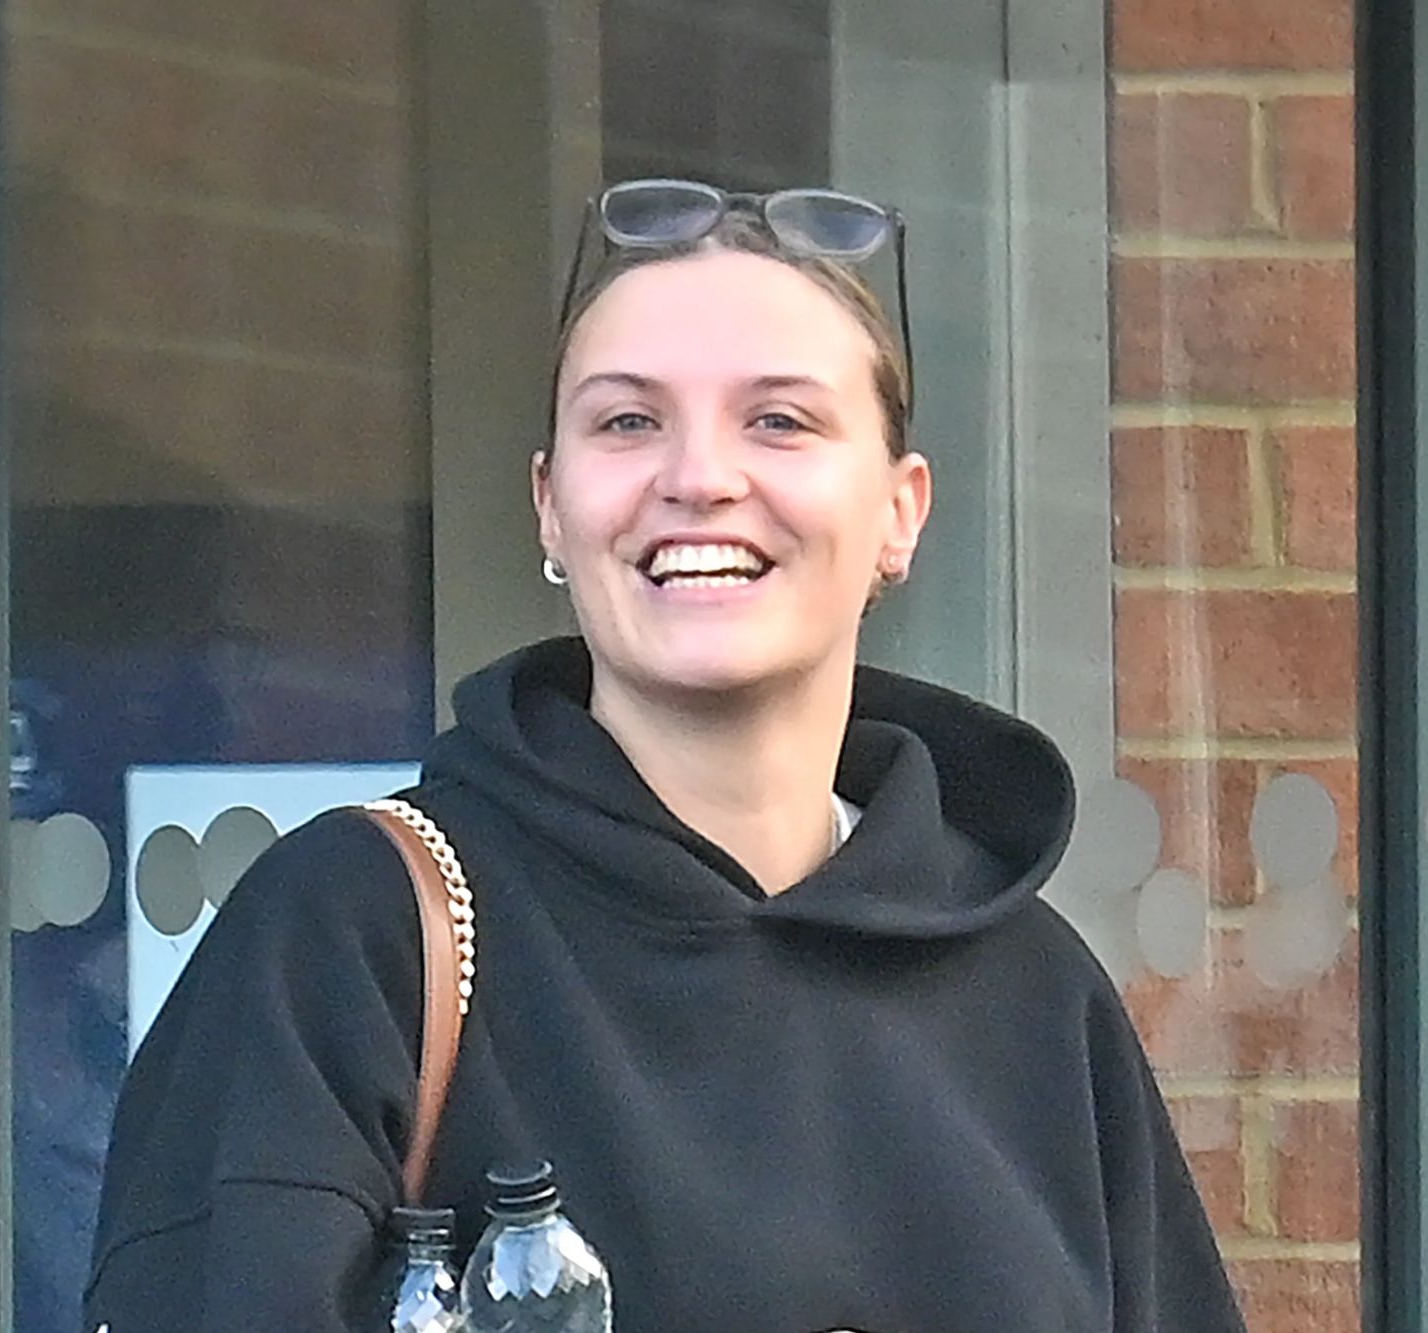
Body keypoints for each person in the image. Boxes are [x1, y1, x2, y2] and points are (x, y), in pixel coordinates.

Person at [84, 179, 1247, 1332]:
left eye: (779, 419)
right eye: (626, 421)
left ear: (900, 511)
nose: (697, 478)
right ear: (550, 505)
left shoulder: (1033, 997)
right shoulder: (355, 935)